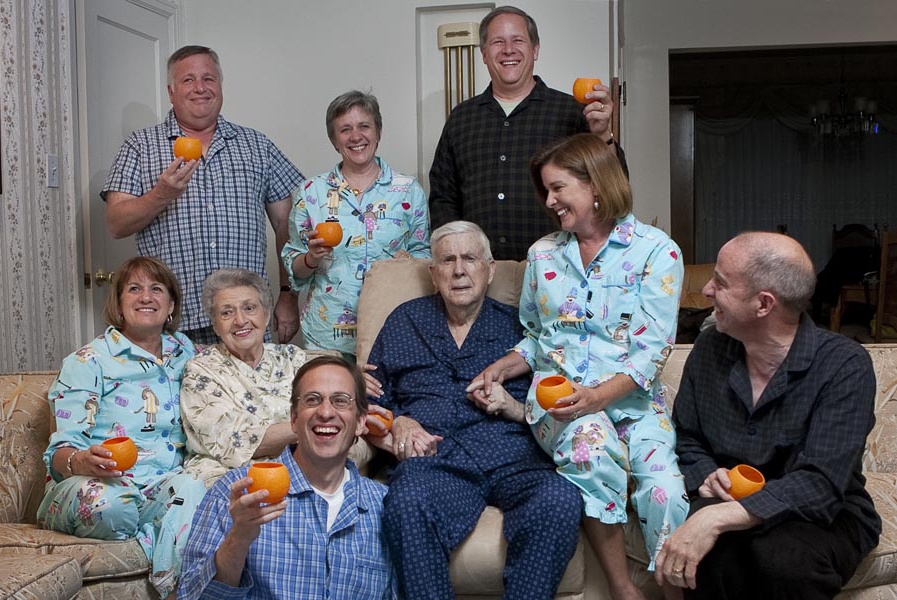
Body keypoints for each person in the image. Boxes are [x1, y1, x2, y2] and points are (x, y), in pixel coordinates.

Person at [472, 133, 688, 600]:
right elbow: (535, 336)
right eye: (546, 191)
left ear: (595, 185)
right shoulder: (543, 254)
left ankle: (675, 595)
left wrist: (600, 397)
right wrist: (503, 367)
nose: (549, 202)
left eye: (558, 188)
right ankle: (622, 588)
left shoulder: (657, 251)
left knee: (665, 491)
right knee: (592, 451)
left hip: (634, 404)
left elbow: (653, 351)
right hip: (562, 403)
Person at [654, 232, 881, 600]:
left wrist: (713, 518)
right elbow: (687, 435)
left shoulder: (844, 365)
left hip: (823, 514)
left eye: (721, 282)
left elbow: (821, 483)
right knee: (711, 558)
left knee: (781, 561)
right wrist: (705, 475)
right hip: (726, 498)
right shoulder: (710, 348)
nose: (707, 290)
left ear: (763, 304)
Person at [365, 221, 583, 599]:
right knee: (406, 501)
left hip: (515, 460)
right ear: (433, 273)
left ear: (490, 268)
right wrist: (398, 419)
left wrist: (513, 405)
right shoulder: (404, 321)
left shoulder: (523, 329)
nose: (459, 270)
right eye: (447, 260)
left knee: (560, 498)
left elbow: (557, 403)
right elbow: (369, 398)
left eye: (470, 258)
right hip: (436, 460)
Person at [102, 45, 304, 345]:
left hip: (245, 319)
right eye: (188, 80)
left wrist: (288, 296)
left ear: (220, 86)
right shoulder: (140, 146)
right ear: (171, 91)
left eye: (209, 79)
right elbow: (116, 224)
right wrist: (161, 194)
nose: (200, 88)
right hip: (170, 323)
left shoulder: (258, 146)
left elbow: (289, 227)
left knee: (249, 393)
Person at [37, 257, 204, 598]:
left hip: (163, 486)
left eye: (156, 289)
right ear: (119, 302)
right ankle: (158, 535)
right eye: (134, 289)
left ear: (170, 305)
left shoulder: (188, 353)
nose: (146, 297)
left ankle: (175, 590)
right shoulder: (88, 361)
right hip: (96, 483)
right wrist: (82, 461)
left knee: (197, 487)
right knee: (111, 503)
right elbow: (59, 454)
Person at [178, 356, 396, 599]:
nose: (325, 412)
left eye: (341, 401)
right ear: (293, 419)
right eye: (313, 400)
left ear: (360, 422)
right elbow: (191, 596)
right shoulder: (236, 493)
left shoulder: (385, 505)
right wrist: (238, 539)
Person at [428, 5, 627, 261]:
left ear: (535, 50)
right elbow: (443, 197)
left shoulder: (572, 112)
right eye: (498, 42)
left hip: (558, 269)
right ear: (484, 54)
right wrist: (456, 255)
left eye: (518, 40)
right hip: (478, 275)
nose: (508, 49)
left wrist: (602, 135)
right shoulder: (461, 118)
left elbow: (615, 187)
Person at [282, 90, 430, 360]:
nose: (356, 136)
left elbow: (425, 256)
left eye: (364, 126)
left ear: (378, 132)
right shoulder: (310, 193)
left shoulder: (408, 191)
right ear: (334, 140)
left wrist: (409, 262)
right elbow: (295, 268)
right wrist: (311, 259)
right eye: (345, 129)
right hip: (326, 335)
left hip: (392, 330)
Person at [180, 268, 309, 488]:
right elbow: (232, 440)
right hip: (226, 476)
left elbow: (328, 405)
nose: (240, 320)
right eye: (226, 313)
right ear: (215, 325)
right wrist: (310, 427)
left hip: (296, 466)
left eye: (249, 308)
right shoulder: (200, 371)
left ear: (266, 315)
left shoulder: (293, 358)